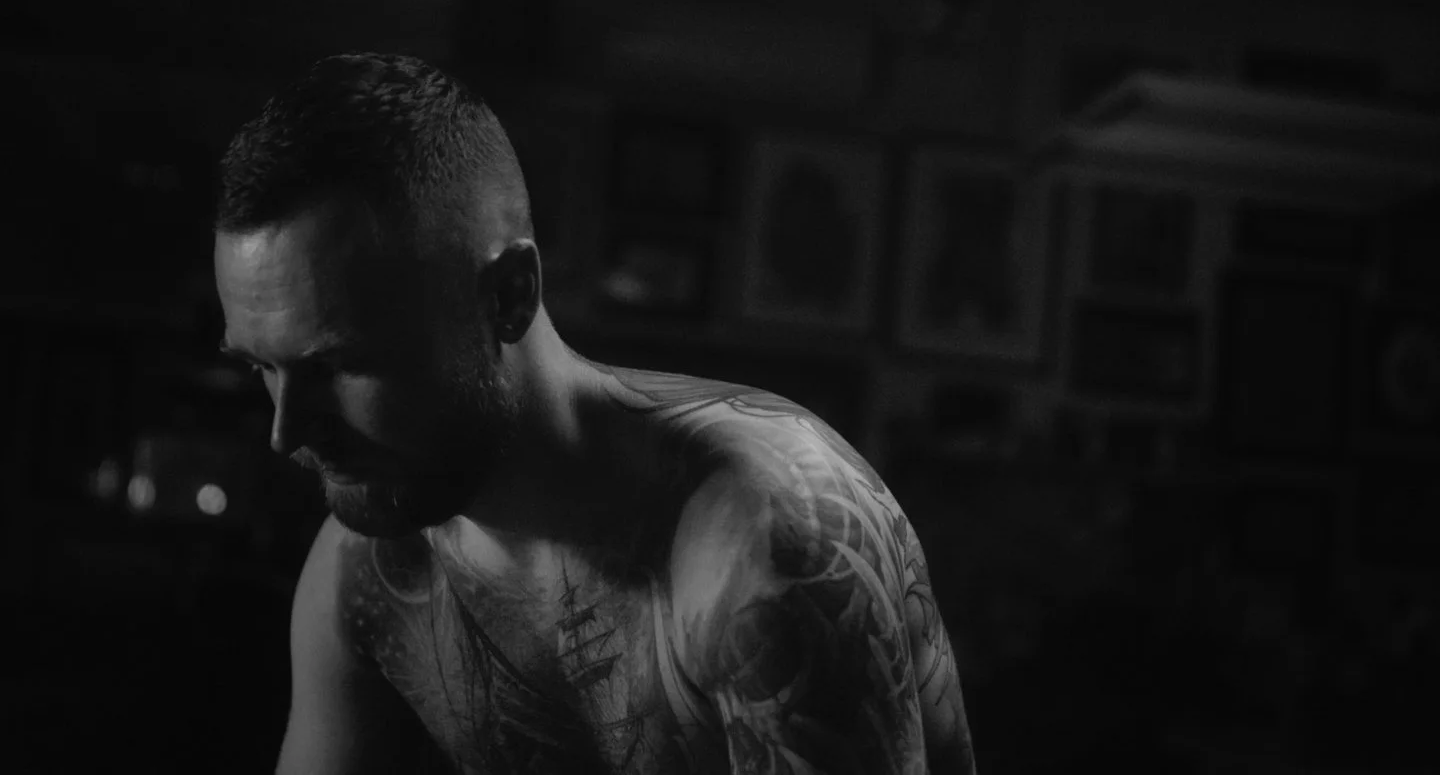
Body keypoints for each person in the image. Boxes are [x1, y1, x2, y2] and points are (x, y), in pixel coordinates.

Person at [213, 52, 977, 774]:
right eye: (262, 368)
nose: (287, 432)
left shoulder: (772, 538)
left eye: (340, 366)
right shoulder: (368, 575)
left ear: (509, 296)